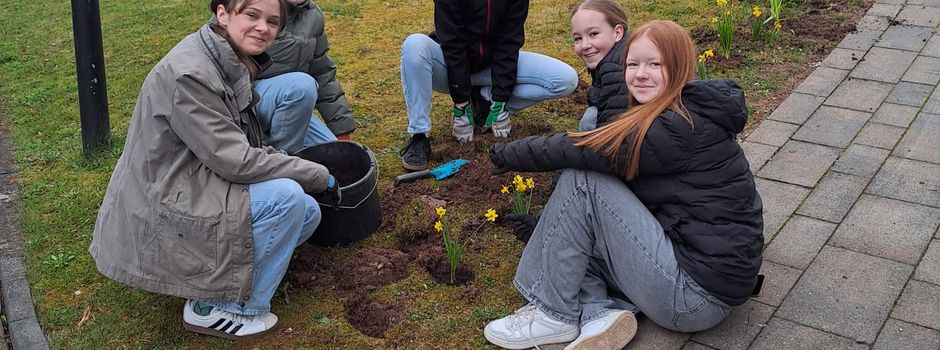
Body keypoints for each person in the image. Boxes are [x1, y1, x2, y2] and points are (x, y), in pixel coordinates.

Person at [484, 20, 763, 349]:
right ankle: (598, 315)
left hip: (693, 298)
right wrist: (552, 228)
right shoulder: (677, 110)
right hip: (697, 272)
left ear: (680, 66)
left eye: (654, 64)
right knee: (576, 231)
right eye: (633, 64)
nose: (640, 74)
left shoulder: (678, 126)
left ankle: (554, 313)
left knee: (583, 178)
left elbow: (583, 150)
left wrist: (506, 154)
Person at [90, 0, 341, 340]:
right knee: (287, 200)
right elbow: (236, 160)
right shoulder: (192, 73)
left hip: (195, 178)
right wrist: (313, 173)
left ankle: (228, 278)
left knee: (308, 212)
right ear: (223, 13)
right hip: (165, 199)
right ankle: (216, 309)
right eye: (251, 15)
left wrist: (302, 168)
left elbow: (245, 143)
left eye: (272, 22)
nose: (263, 28)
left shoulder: (228, 59)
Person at [398, 0, 579, 171]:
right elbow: (453, 43)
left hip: (490, 68)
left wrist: (501, 99)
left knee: (565, 79)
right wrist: (461, 102)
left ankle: (485, 102)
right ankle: (419, 135)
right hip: (449, 67)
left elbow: (509, 43)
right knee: (414, 45)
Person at [252, 0, 355, 154]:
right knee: (301, 86)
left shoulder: (312, 15)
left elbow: (322, 73)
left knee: (339, 157)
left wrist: (341, 131)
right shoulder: (249, 7)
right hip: (247, 102)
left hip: (292, 104)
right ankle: (279, 161)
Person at [570, 0, 630, 132]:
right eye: (578, 38)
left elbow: (612, 128)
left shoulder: (614, 66)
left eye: (593, 34)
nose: (585, 45)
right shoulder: (620, 50)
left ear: (617, 33)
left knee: (590, 119)